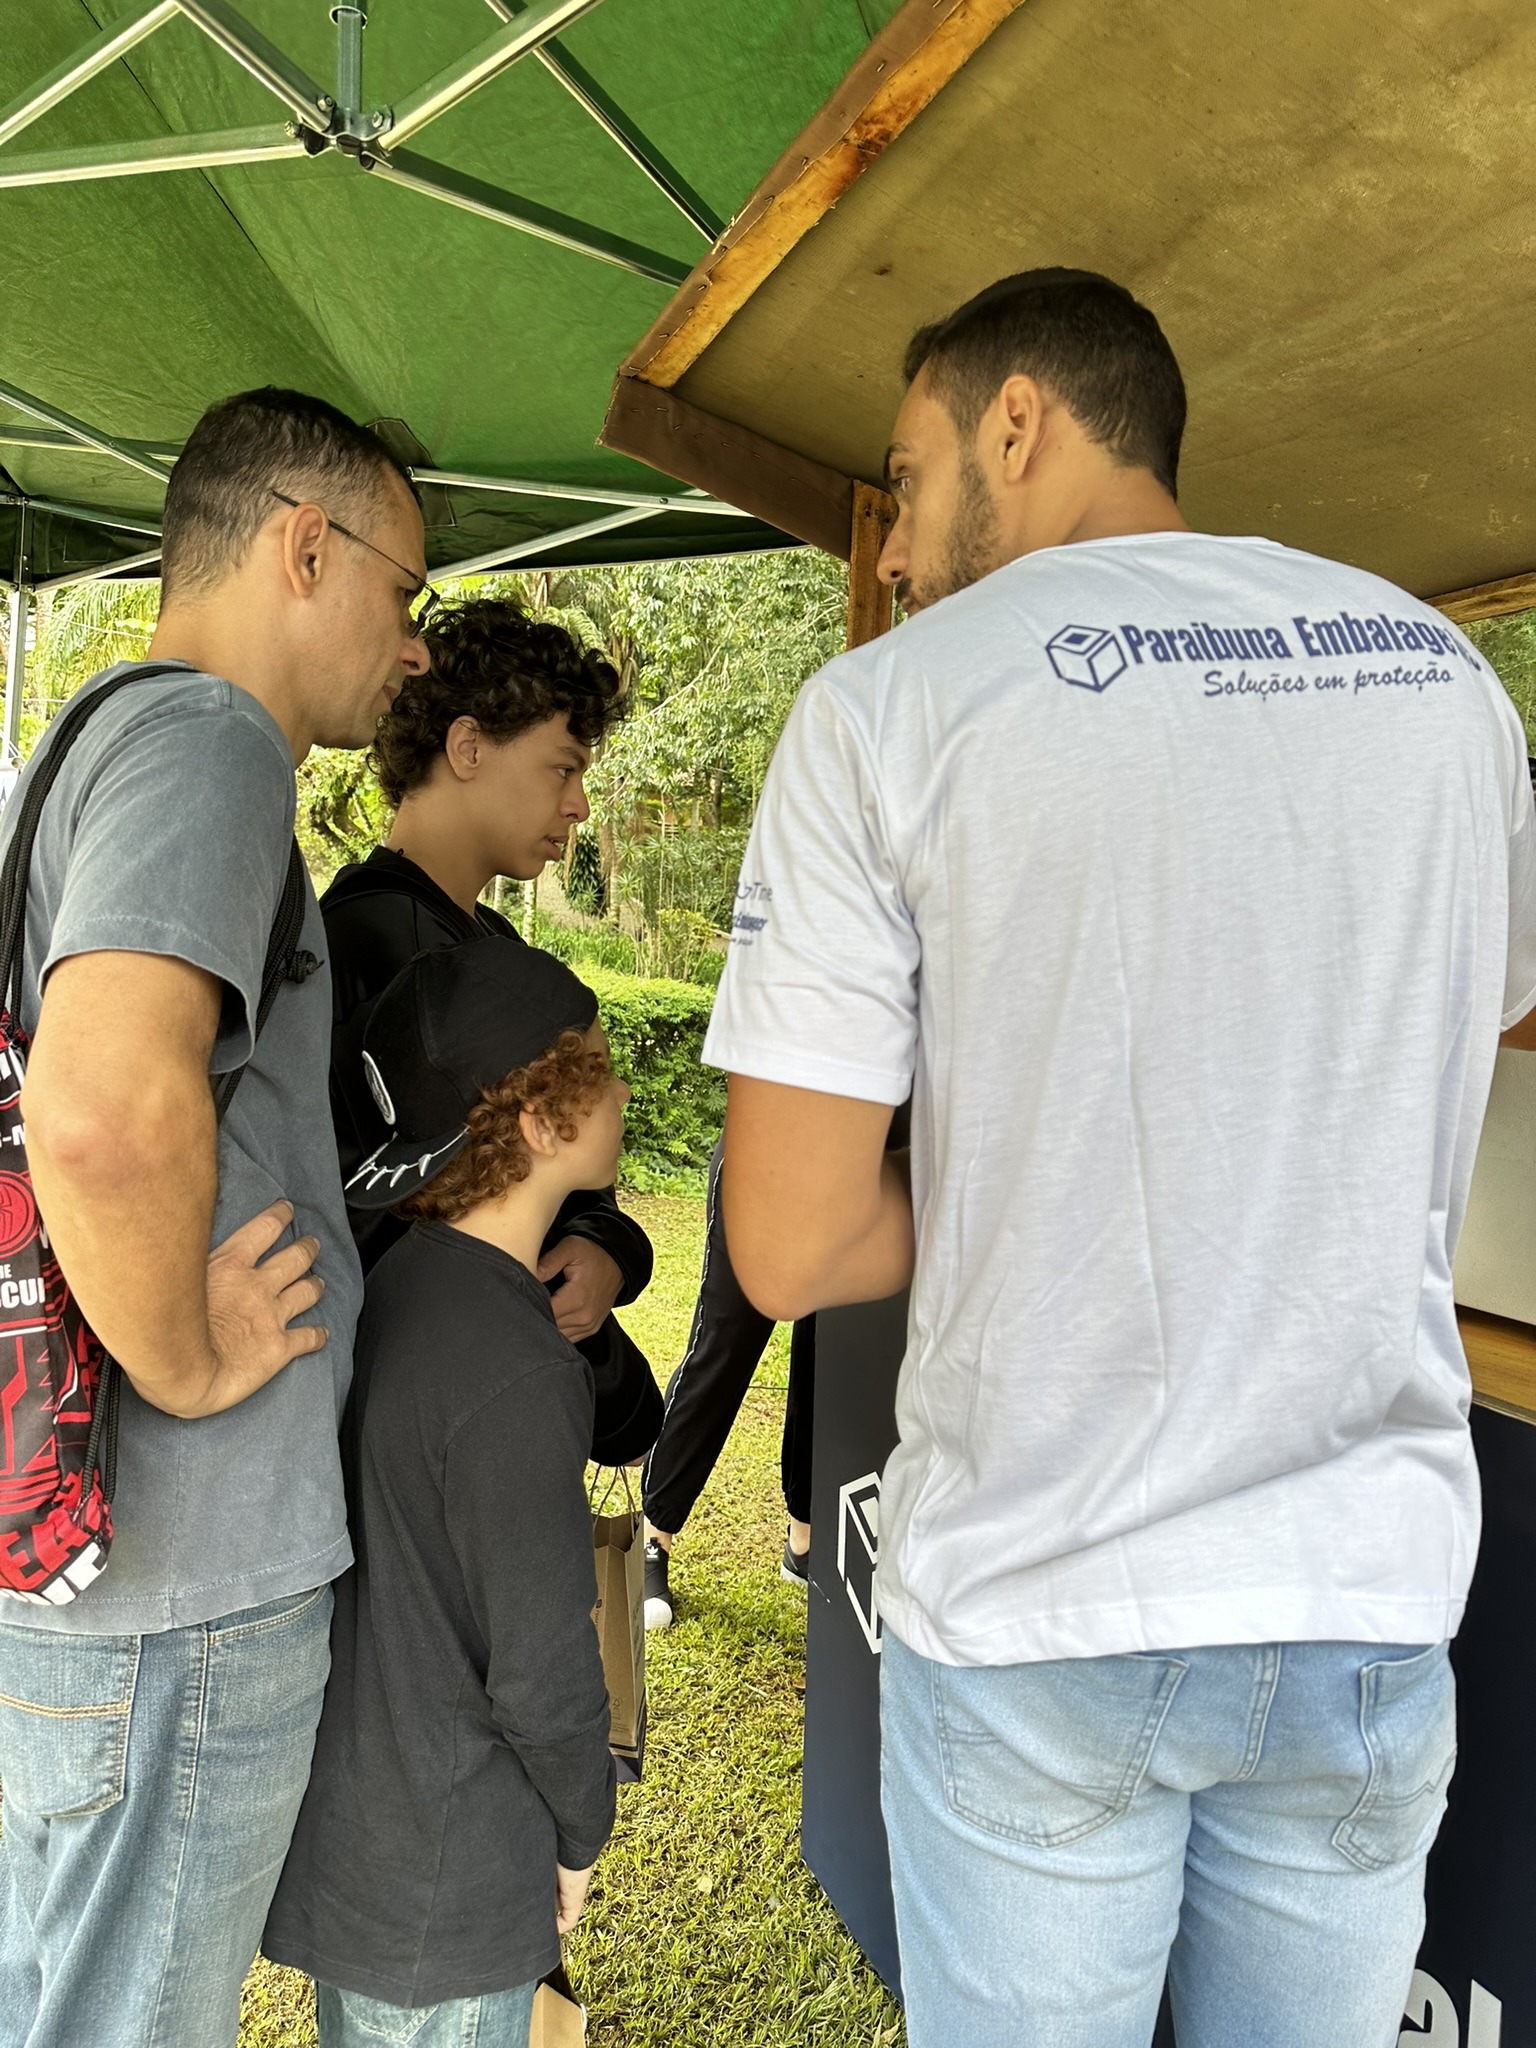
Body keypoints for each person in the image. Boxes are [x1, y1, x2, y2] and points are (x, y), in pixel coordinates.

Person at [704, 268, 1536, 2046]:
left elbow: (780, 1240)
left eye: (912, 481)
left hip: (1038, 1599)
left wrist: (1016, 1177)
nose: (906, 552)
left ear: (1020, 419)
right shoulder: (1447, 686)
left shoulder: (888, 713)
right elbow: (1453, 1047)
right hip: (1366, 1599)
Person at [0, 388, 433, 2047]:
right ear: (303, 546)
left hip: (99, 1565)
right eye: (403, 594)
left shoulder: (96, 743)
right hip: (176, 1569)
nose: (409, 650)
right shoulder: (206, 742)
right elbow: (102, 1104)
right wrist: (183, 1357)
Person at [264, 940, 621, 2046]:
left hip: (371, 1842)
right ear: (540, 1122)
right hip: (450, 1880)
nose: (621, 1088)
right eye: (599, 1068)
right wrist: (582, 1831)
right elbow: (543, 1667)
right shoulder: (515, 1371)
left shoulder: (403, 1281)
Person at [322, 597, 660, 1463]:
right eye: (561, 769)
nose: (579, 804)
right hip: (426, 1428)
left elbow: (564, 1158)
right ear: (467, 748)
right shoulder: (365, 948)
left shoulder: (494, 945)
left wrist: (602, 1243)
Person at [640, 1135, 815, 1628]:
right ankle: (651, 1540)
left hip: (853, 1174)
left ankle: (804, 1542)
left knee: (825, 1361)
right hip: (764, 1160)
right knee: (724, 1348)